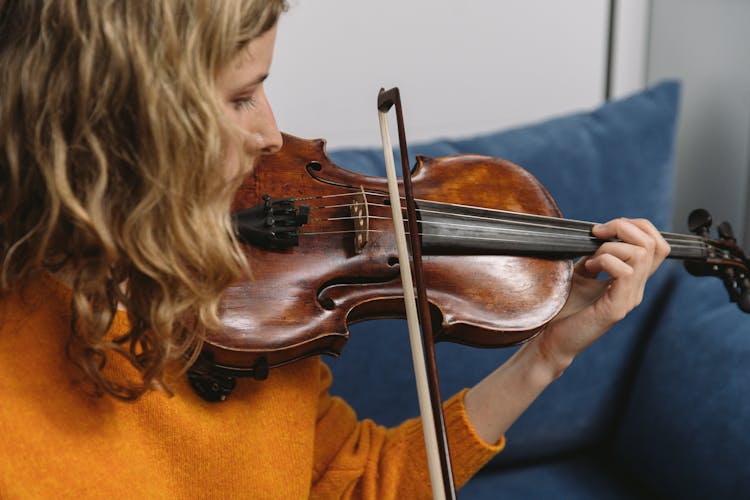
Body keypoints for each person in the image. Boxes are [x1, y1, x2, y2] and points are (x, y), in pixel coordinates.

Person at [0, 1, 670, 498]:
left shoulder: (264, 297)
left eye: (262, 87)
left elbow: (352, 483)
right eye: (239, 98)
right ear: (115, 121)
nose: (271, 133)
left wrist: (544, 357)